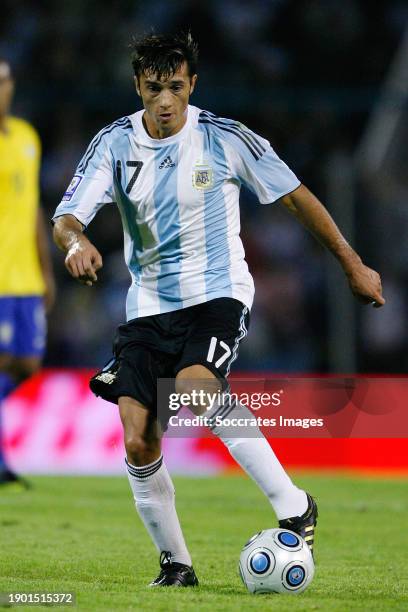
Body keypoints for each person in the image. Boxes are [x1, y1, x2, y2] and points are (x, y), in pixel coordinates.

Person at [52, 32, 385, 587]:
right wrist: (74, 243)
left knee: (195, 389)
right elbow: (66, 216)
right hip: (148, 306)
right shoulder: (113, 143)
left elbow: (297, 196)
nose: (164, 101)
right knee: (139, 437)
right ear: (138, 85)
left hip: (216, 294)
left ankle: (294, 505)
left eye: (176, 87)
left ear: (192, 86)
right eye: (154, 88)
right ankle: (177, 565)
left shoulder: (226, 139)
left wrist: (352, 263)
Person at [0, 58, 55, 489]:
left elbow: (33, 207)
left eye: (3, 81)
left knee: (28, 364)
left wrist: (46, 270)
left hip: (26, 278)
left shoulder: (26, 137)